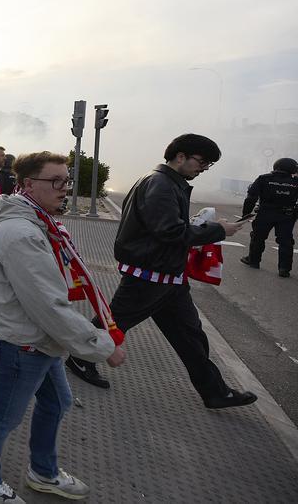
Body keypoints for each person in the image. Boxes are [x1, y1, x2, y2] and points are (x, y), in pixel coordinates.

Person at [0, 151, 125, 503]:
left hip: (40, 339)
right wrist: (102, 346)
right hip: (21, 341)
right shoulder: (21, 233)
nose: (64, 188)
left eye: (66, 180)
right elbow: (49, 307)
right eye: (56, 181)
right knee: (4, 415)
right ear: (27, 185)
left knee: (56, 403)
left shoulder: (40, 221)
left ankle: (43, 471)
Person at [65, 134, 256, 410]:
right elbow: (169, 231)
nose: (202, 169)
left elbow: (166, 226)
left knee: (190, 335)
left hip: (167, 274)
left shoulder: (164, 182)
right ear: (181, 156)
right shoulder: (162, 184)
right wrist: (217, 230)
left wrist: (201, 226)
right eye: (201, 162)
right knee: (114, 323)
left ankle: (215, 391)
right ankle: (80, 356)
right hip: (151, 273)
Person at [240, 157, 298, 277]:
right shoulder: (296, 182)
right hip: (286, 215)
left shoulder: (264, 178)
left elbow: (251, 197)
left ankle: (254, 261)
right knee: (286, 241)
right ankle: (284, 269)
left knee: (258, 237)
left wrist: (245, 214)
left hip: (265, 213)